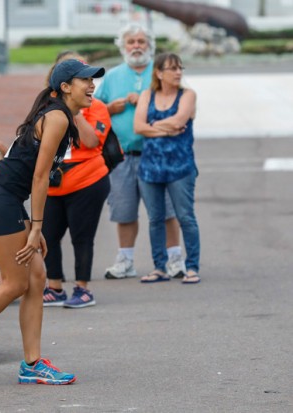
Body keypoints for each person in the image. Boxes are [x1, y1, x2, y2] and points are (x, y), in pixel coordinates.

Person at [0, 59, 105, 387]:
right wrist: (36, 227)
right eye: (85, 80)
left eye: (92, 80)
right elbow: (40, 177)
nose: (91, 85)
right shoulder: (56, 117)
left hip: (8, 200)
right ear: (65, 87)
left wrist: (30, 225)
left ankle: (32, 364)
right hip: (1, 200)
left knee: (36, 278)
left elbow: (32, 174)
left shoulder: (60, 116)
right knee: (15, 283)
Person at [93, 23, 184, 280]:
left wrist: (146, 100)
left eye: (141, 42)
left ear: (150, 46)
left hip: (158, 154)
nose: (136, 46)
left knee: (166, 210)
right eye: (131, 42)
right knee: (124, 210)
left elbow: (179, 106)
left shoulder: (162, 73)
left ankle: (175, 259)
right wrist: (110, 108)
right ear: (123, 46)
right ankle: (126, 260)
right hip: (122, 156)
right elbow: (92, 110)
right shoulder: (112, 77)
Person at [40, 51, 111, 308]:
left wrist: (74, 111)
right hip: (54, 183)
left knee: (82, 236)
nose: (89, 83)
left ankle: (83, 288)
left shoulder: (95, 106)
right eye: (82, 76)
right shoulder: (46, 108)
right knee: (48, 235)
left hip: (87, 180)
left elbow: (91, 141)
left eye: (88, 75)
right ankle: (55, 287)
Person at [134, 52, 201, 284]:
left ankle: (191, 267)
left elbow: (180, 121)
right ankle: (159, 267)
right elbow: (138, 127)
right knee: (155, 219)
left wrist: (152, 125)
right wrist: (164, 128)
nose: (178, 72)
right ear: (159, 73)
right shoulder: (147, 95)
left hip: (180, 167)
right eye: (173, 68)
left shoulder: (188, 95)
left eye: (180, 68)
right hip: (150, 168)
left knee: (186, 217)